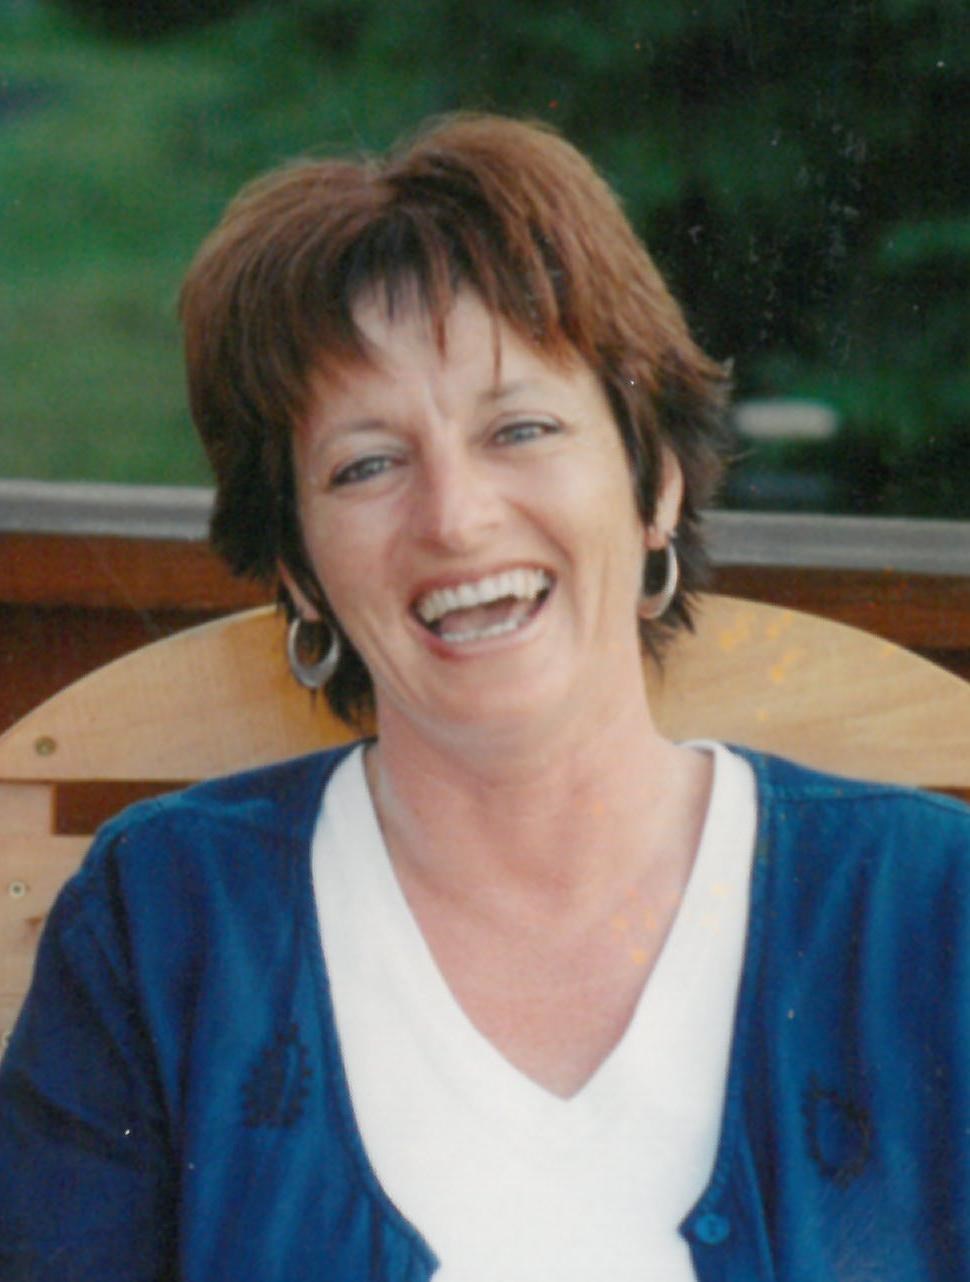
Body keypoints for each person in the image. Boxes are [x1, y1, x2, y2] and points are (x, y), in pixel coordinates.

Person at [1, 114, 969, 1282]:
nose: (455, 518)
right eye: (366, 463)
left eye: (520, 428)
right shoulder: (162, 920)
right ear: (299, 566)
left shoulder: (934, 907)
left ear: (654, 482)